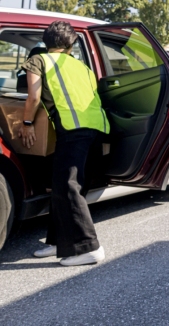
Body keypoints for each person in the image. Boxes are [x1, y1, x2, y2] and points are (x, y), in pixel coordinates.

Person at [17, 21, 109, 266]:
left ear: (45, 42)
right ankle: (58, 242)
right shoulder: (83, 68)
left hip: (73, 129)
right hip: (96, 129)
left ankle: (89, 248)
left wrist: (26, 124)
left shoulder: (40, 61)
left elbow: (34, 96)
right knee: (63, 186)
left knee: (68, 186)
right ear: (71, 44)